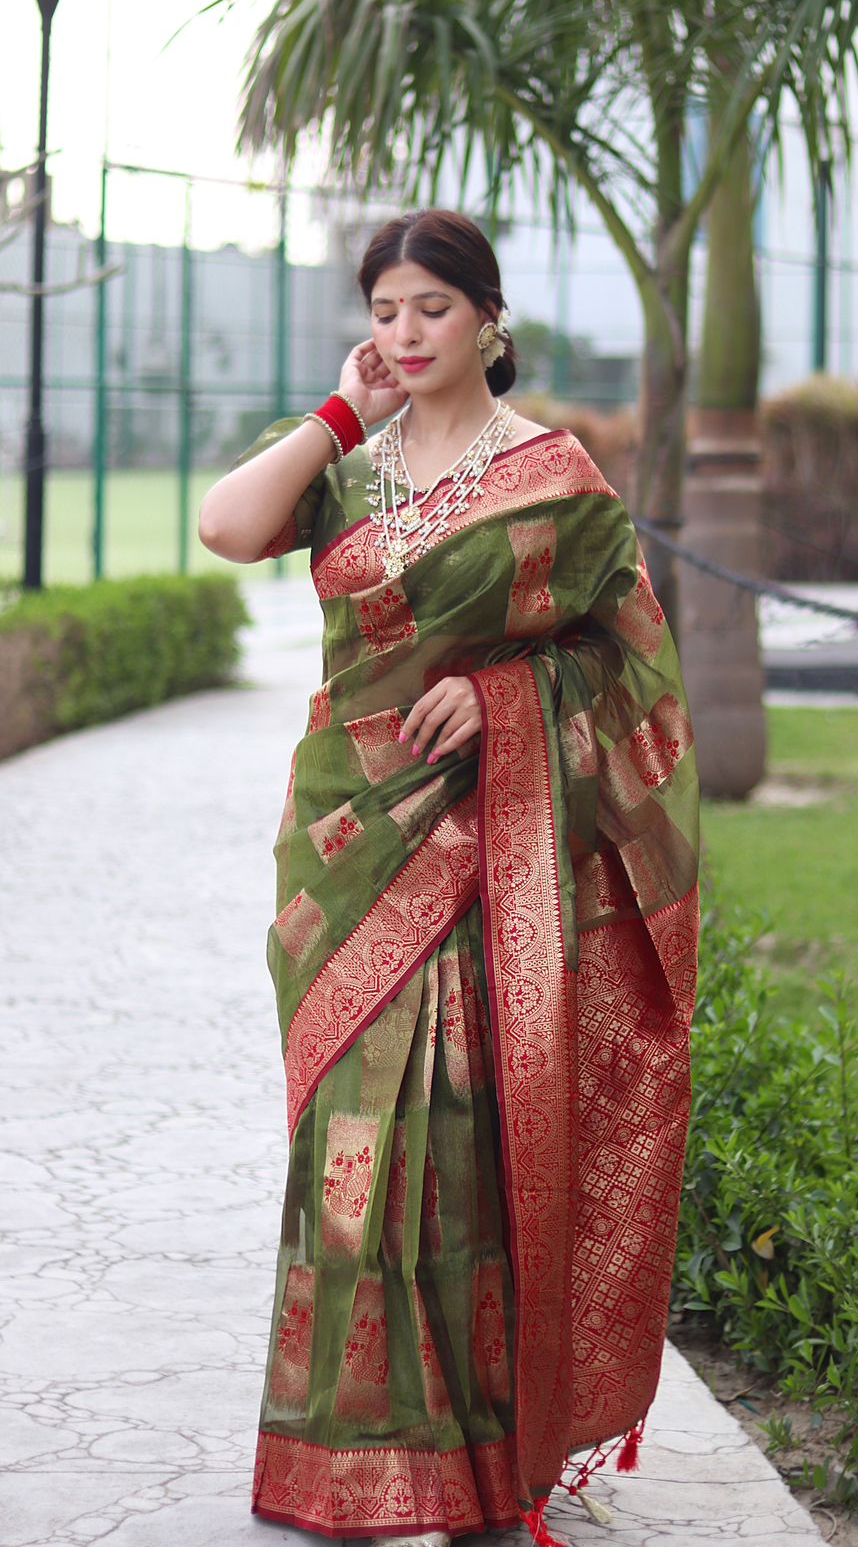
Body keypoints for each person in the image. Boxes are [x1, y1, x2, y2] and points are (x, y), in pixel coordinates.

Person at [198, 208, 702, 1547]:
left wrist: (506, 696)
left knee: (466, 1147)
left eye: (429, 308)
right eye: (382, 311)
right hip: (346, 844)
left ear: (487, 317)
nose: (403, 334)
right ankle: (346, 1452)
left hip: (486, 848)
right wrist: (332, 410)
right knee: (351, 1144)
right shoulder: (347, 470)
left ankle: (475, 1467)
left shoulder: (555, 476)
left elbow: (629, 662)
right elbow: (226, 524)